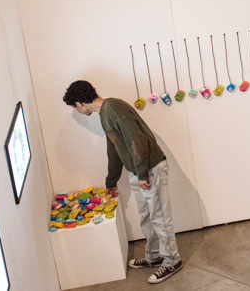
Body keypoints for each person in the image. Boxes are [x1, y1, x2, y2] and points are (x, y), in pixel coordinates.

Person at [63, 81, 182, 284]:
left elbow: (137, 139)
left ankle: (172, 260)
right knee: (147, 217)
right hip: (139, 172)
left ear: (79, 103)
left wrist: (143, 174)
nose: (78, 112)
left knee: (160, 217)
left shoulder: (113, 108)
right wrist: (112, 180)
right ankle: (155, 256)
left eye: (75, 107)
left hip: (150, 169)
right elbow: (114, 150)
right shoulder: (106, 114)